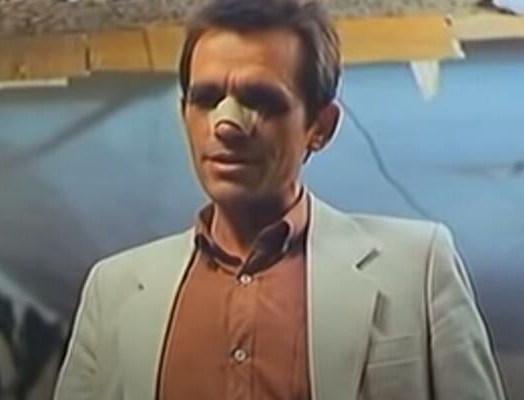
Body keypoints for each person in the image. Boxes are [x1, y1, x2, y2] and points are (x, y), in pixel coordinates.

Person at [54, 0, 506, 399]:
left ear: (320, 127)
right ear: (184, 113)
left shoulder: (417, 269)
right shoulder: (112, 291)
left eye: (260, 99)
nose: (226, 124)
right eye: (207, 98)